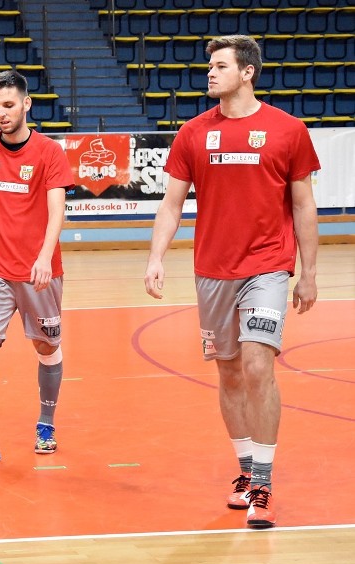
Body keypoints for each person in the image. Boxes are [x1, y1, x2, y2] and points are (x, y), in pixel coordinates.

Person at [143, 35, 320, 529]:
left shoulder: (287, 131)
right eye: (209, 65)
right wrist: (156, 257)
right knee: (229, 372)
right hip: (212, 270)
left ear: (248, 72)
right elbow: (172, 203)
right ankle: (244, 470)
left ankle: (264, 481)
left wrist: (307, 273)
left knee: (259, 364)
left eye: (220, 65)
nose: (209, 73)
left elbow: (304, 205)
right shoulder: (193, 133)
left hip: (267, 266)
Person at [0, 70, 75, 463]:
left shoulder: (49, 153)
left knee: (46, 345)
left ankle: (46, 422)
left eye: (8, 105)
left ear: (26, 104)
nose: (1, 113)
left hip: (40, 273)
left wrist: (43, 256)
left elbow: (58, 210)